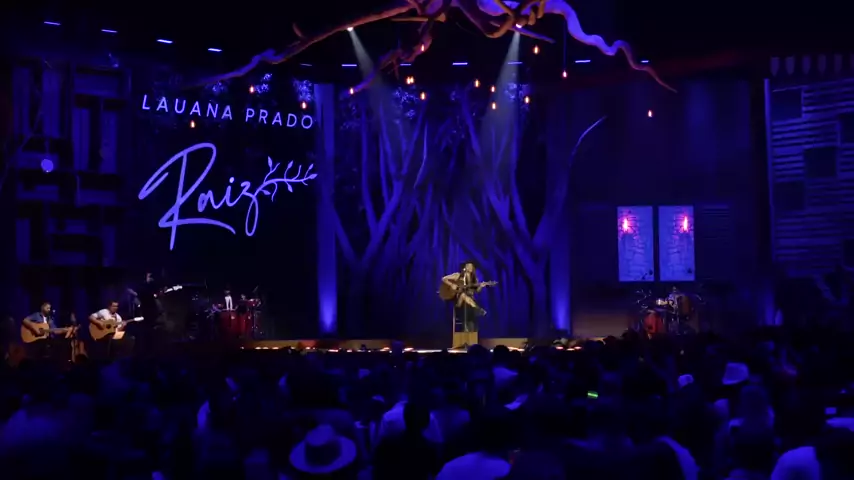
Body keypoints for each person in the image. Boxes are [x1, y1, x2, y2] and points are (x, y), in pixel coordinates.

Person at [442, 261, 487, 333]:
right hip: (459, 303)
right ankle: (478, 309)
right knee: (463, 295)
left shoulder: (474, 280)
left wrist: (481, 286)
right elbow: (444, 279)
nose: (469, 267)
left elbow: (477, 291)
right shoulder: (457, 275)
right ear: (464, 267)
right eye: (468, 266)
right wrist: (451, 285)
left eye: (471, 266)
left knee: (469, 306)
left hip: (469, 304)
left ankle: (469, 330)